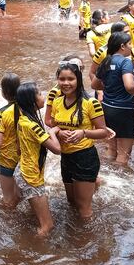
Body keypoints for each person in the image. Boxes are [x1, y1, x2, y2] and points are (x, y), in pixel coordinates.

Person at [50, 62, 114, 218]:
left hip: (85, 157)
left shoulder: (90, 103)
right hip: (66, 157)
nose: (66, 83)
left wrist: (83, 133)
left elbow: (103, 132)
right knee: (71, 202)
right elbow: (54, 124)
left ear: (78, 79)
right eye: (62, 79)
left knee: (83, 209)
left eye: (70, 79)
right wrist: (59, 133)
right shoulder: (57, 102)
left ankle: (88, 240)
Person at [13, 81, 62, 236]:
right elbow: (57, 149)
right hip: (31, 177)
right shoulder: (32, 126)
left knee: (34, 217)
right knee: (47, 226)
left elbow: (21, 147)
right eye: (40, 94)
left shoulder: (23, 119)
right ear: (31, 101)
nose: (44, 96)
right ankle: (35, 256)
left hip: (23, 171)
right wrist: (53, 132)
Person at [91, 31, 134, 165]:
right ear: (122, 46)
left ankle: (106, 170)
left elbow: (94, 84)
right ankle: (117, 182)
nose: (131, 46)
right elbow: (129, 86)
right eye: (129, 44)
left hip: (107, 108)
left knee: (111, 149)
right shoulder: (125, 62)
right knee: (123, 155)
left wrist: (110, 87)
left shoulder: (106, 61)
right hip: (123, 110)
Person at [0, 73, 21, 208]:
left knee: (9, 200)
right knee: (23, 195)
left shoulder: (2, 113)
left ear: (4, 93)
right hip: (27, 158)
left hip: (8, 160)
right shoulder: (28, 108)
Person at [44, 54, 85, 128]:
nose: (79, 71)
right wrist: (63, 129)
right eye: (76, 67)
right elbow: (47, 120)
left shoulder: (78, 88)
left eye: (81, 68)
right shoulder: (55, 92)